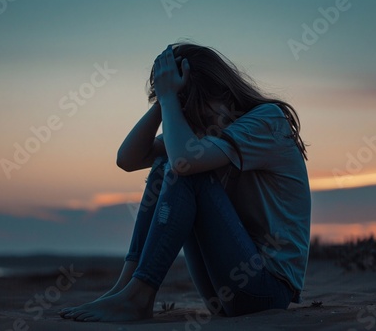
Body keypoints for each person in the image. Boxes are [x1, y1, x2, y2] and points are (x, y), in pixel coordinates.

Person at [59, 42, 311, 322]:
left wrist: (169, 99)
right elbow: (127, 159)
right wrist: (164, 101)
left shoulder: (266, 121)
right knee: (165, 165)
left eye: (201, 114)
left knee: (184, 169)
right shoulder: (205, 138)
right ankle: (127, 288)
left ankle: (138, 296)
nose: (199, 126)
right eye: (188, 114)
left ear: (225, 94)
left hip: (266, 290)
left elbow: (183, 163)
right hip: (224, 290)